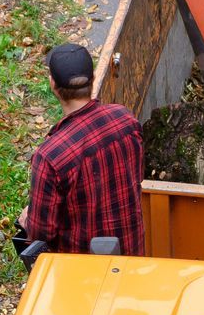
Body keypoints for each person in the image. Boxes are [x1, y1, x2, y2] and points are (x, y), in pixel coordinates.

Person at [17, 43, 145, 257]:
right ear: (93, 79)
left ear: (53, 85)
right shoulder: (125, 120)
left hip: (81, 275)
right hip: (131, 261)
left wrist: (27, 219)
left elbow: (41, 234)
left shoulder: (50, 156)